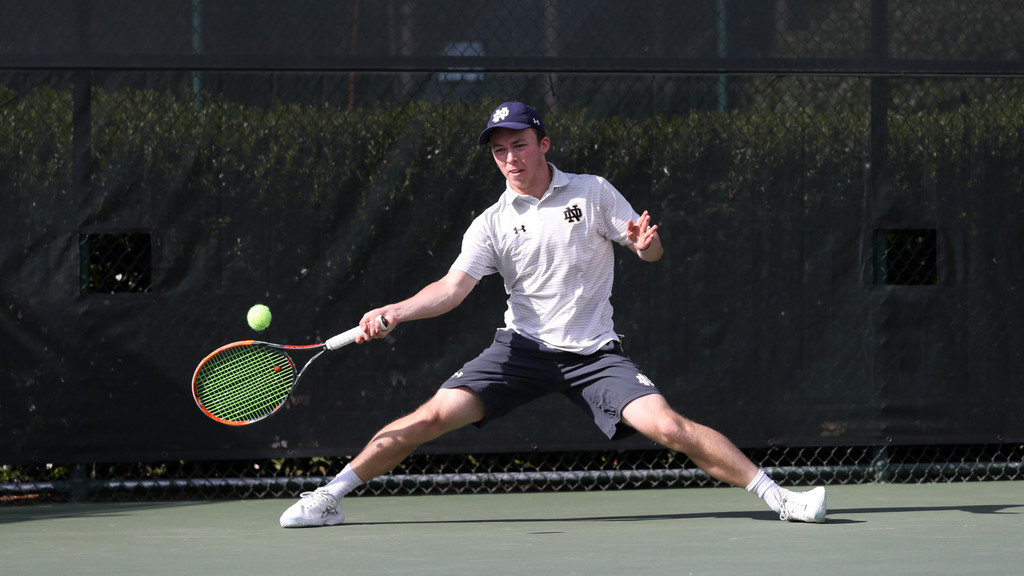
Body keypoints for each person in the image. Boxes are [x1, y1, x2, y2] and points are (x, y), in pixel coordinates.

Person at [279, 102, 826, 527]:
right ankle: (329, 496)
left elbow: (649, 251)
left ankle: (781, 498)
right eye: (499, 151)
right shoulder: (491, 223)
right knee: (426, 420)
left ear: (543, 144)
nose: (510, 159)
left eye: (519, 145)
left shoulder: (592, 193)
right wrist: (396, 310)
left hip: (594, 354)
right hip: (520, 351)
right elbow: (451, 289)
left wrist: (645, 246)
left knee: (669, 427)